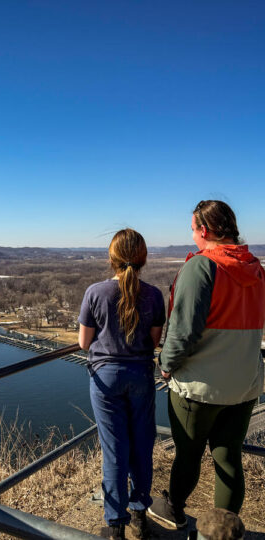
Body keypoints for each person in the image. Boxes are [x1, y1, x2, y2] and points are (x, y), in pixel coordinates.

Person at [149, 200, 265, 529]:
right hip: (245, 385)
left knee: (188, 453)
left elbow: (182, 331)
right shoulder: (256, 269)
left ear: (204, 229)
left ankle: (173, 509)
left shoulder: (202, 267)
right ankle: (223, 530)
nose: (193, 238)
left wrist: (166, 366)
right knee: (228, 460)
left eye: (193, 231)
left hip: (198, 388)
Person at [78, 228, 165, 540]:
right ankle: (140, 514)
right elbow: (155, 341)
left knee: (115, 451)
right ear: (143, 259)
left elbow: (84, 343)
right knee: (142, 446)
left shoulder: (95, 292)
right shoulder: (154, 295)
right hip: (141, 376)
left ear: (110, 259)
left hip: (105, 379)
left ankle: (115, 527)